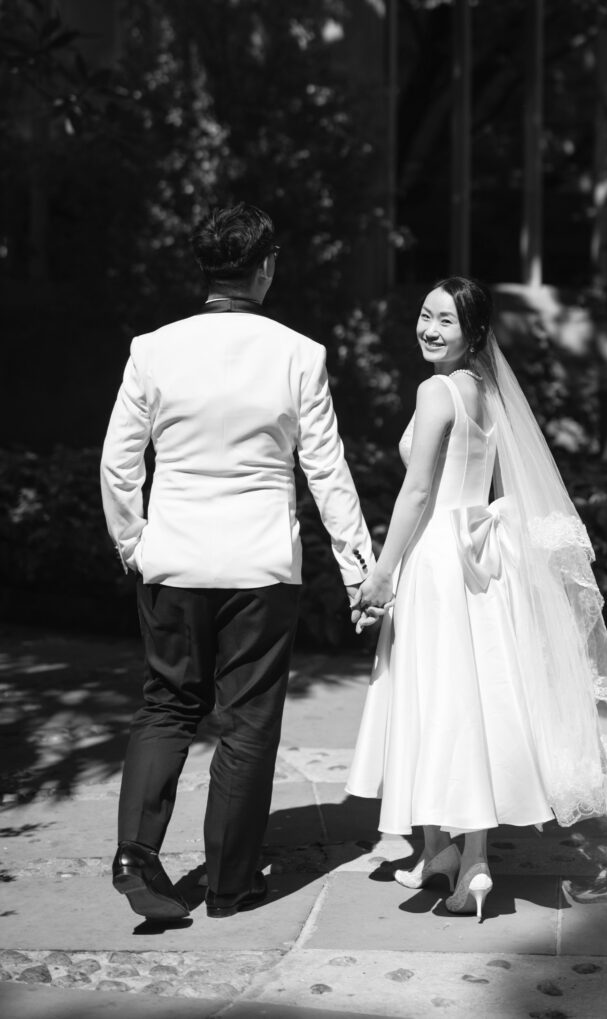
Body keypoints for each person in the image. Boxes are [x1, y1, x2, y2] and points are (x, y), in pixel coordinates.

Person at [100, 202, 375, 921]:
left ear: (205, 269)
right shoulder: (297, 354)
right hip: (258, 565)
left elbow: (117, 463)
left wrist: (135, 543)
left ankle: (136, 850)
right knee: (247, 721)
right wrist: (358, 569)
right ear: (266, 268)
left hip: (173, 560)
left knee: (167, 705)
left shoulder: (151, 349)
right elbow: (326, 471)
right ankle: (230, 882)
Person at [346, 276, 607, 922]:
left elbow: (416, 494)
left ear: (472, 332)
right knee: (472, 698)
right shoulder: (486, 392)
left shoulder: (435, 390)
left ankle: (448, 852)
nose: (428, 328)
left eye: (444, 320)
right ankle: (463, 856)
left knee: (436, 698)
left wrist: (383, 571)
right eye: (423, 315)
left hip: (439, 559)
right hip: (480, 559)